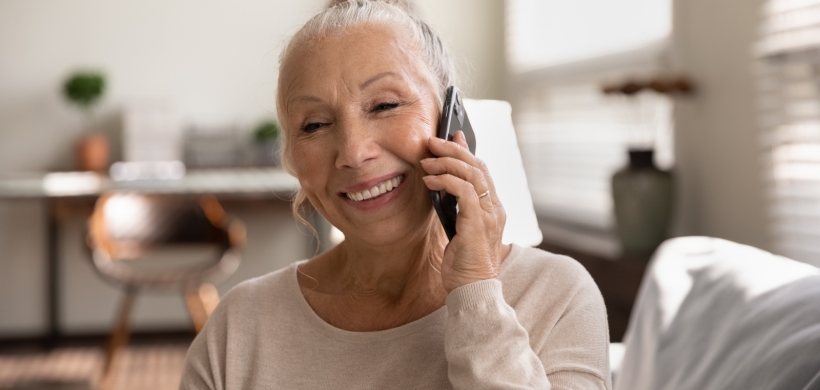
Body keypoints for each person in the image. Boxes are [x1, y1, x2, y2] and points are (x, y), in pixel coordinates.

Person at [180, 0, 610, 388]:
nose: (353, 152)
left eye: (385, 105)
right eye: (313, 125)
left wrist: (476, 293)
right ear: (293, 159)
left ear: (453, 121)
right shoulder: (235, 332)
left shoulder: (558, 297)